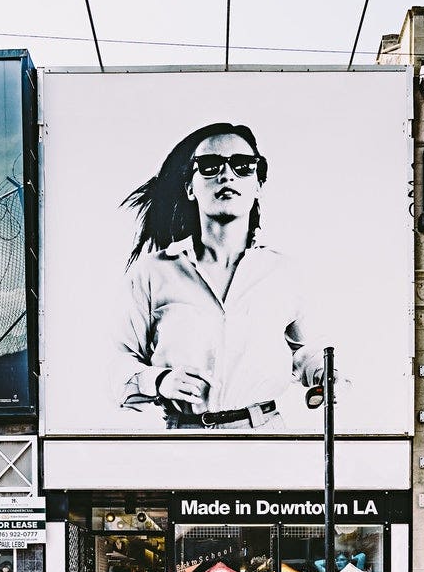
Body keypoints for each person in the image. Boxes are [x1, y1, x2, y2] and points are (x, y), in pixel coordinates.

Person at [112, 122, 334, 431]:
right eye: (210, 165)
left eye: (243, 166)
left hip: (265, 440)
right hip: (182, 443)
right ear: (190, 187)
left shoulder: (284, 272)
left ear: (257, 185)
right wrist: (159, 380)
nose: (226, 175)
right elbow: (116, 363)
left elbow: (307, 351)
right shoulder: (153, 271)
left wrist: (323, 371)